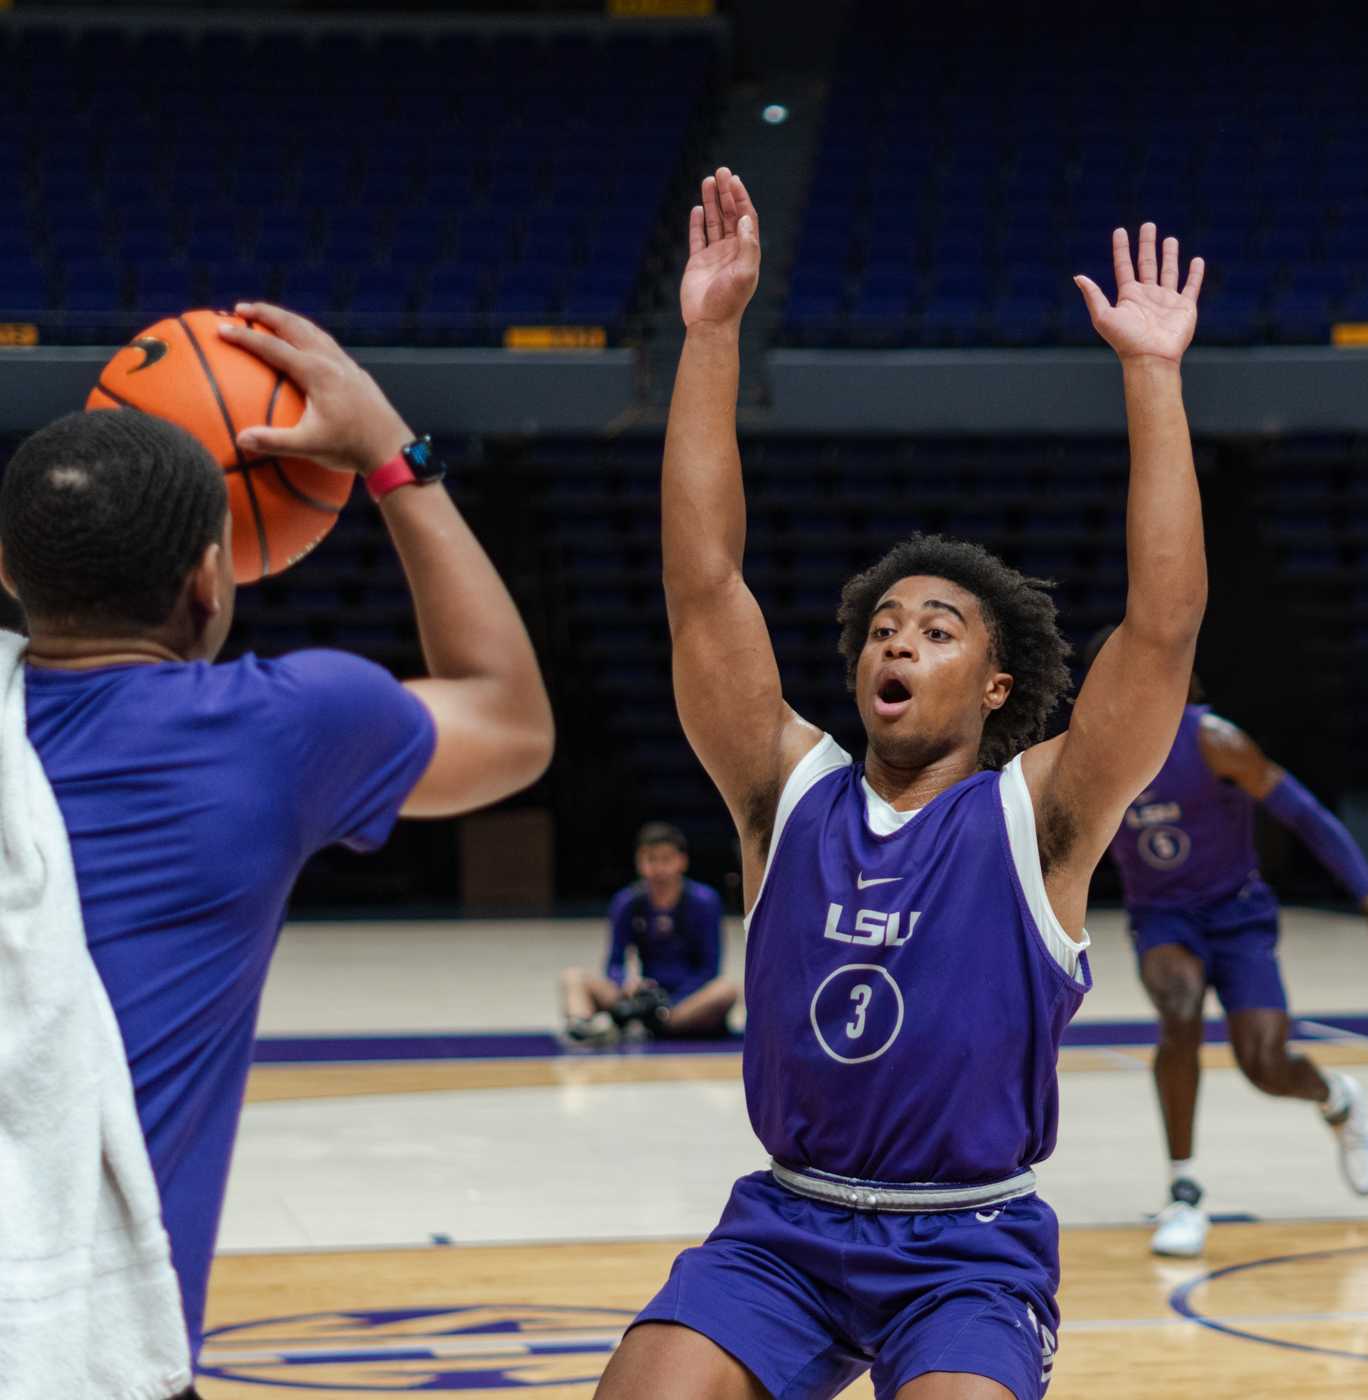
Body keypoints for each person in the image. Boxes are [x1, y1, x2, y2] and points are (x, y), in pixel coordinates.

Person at [594, 171, 1207, 1400]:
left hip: (965, 1243)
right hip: (786, 1227)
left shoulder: (1042, 815)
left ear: (994, 684)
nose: (896, 640)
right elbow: (704, 581)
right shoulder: (784, 787)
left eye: (935, 627)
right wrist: (709, 335)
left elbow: (1162, 627)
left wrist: (1153, 375)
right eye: (884, 623)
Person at [2, 303, 553, 1384]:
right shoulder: (280, 731)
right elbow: (512, 721)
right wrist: (392, 449)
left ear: (12, 573)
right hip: (83, 1354)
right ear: (213, 583)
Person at [1083, 632, 1368, 1258]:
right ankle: (1183, 1190)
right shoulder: (1100, 753)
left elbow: (1306, 815)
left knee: (1265, 1064)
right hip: (1164, 918)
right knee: (1179, 1009)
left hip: (1238, 915)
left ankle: (1337, 1100)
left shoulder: (1216, 741)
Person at [562, 821, 738, 1043]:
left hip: (684, 1001)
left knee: (726, 990)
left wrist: (670, 1002)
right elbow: (615, 961)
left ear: (682, 861)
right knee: (573, 978)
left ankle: (661, 1024)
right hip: (642, 996)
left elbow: (710, 968)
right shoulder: (627, 902)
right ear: (639, 863)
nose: (659, 869)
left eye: (666, 860)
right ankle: (583, 1027)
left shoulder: (705, 902)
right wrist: (625, 985)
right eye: (651, 860)